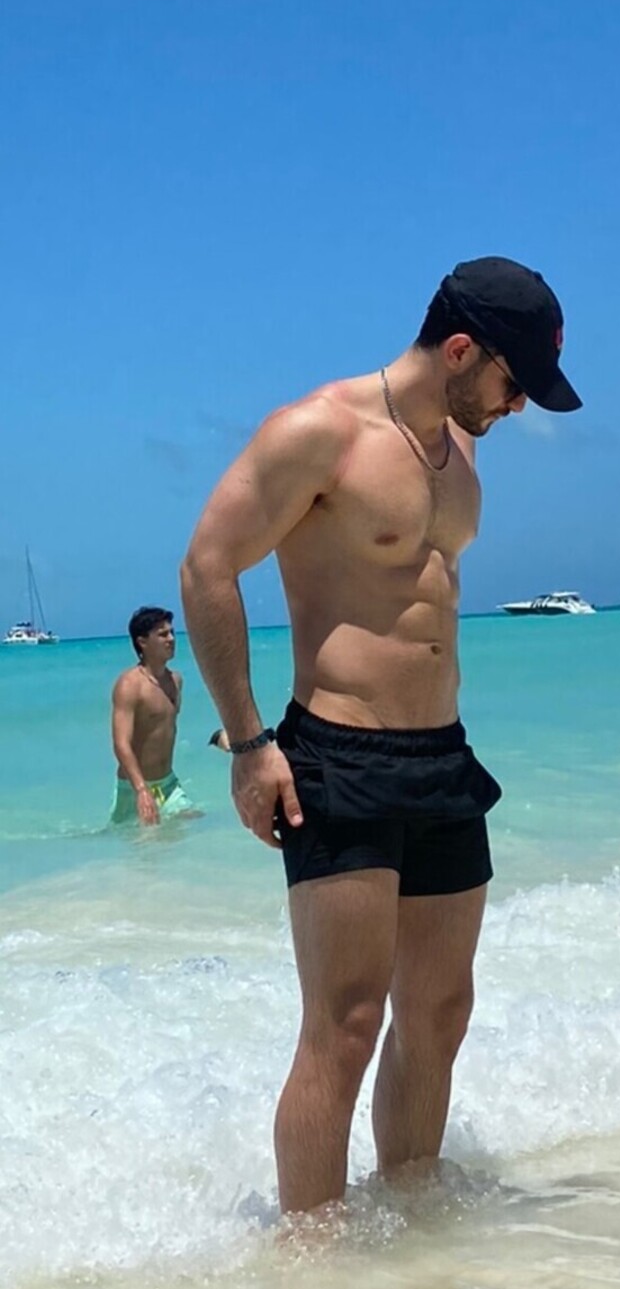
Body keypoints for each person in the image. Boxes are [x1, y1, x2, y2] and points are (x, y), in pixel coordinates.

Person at [180, 256, 582, 1216]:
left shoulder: (461, 445)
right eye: (513, 381)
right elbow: (207, 566)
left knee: (440, 1015)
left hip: (443, 757)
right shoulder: (319, 432)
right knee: (346, 1027)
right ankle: (310, 1263)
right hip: (339, 753)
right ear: (460, 349)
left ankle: (413, 1232)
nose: (518, 405)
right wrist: (249, 746)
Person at [110, 606, 192, 824]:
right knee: (138, 842)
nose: (171, 639)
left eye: (172, 632)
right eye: (163, 634)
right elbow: (121, 744)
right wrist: (141, 790)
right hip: (135, 787)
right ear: (142, 642)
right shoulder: (129, 685)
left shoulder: (176, 681)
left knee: (195, 827)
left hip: (169, 784)